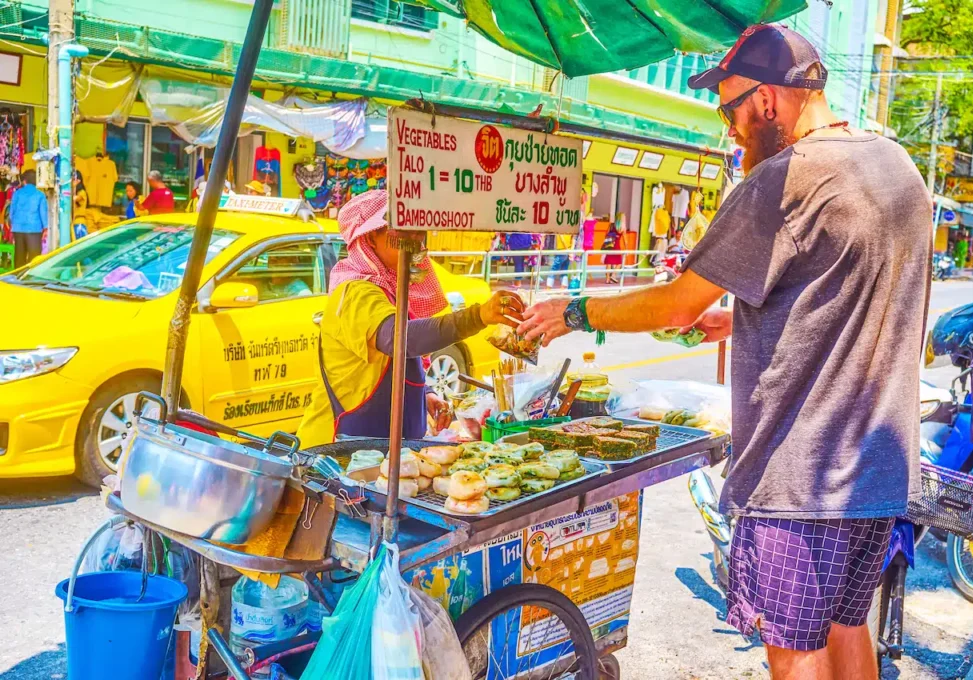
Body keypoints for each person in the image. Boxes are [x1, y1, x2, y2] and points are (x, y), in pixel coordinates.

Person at [518, 24, 931, 680]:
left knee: (795, 654)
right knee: (850, 633)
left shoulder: (784, 180)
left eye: (730, 109)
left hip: (801, 477)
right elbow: (854, 295)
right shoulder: (896, 167)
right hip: (877, 469)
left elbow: (675, 302)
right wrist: (739, 321)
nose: (728, 129)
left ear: (769, 101)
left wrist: (574, 311)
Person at [296, 190, 524, 446]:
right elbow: (399, 339)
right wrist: (477, 316)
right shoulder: (356, 292)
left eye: (419, 229)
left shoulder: (390, 292)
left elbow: (384, 366)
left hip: (384, 451)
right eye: (404, 230)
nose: (417, 239)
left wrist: (422, 396)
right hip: (337, 451)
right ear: (371, 238)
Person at [9, 170, 47, 267]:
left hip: (18, 229)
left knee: (19, 257)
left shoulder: (17, 193)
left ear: (24, 181)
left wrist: (12, 225)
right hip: (34, 229)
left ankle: (17, 279)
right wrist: (45, 228)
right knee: (34, 258)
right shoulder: (40, 195)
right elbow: (43, 213)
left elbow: (11, 212)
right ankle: (31, 279)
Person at [602, 214, 623, 284]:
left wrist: (611, 236)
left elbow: (606, 234)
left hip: (610, 246)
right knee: (619, 262)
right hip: (617, 246)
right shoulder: (622, 228)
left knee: (609, 262)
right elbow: (625, 240)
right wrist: (626, 248)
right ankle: (613, 275)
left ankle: (607, 279)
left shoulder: (611, 225)